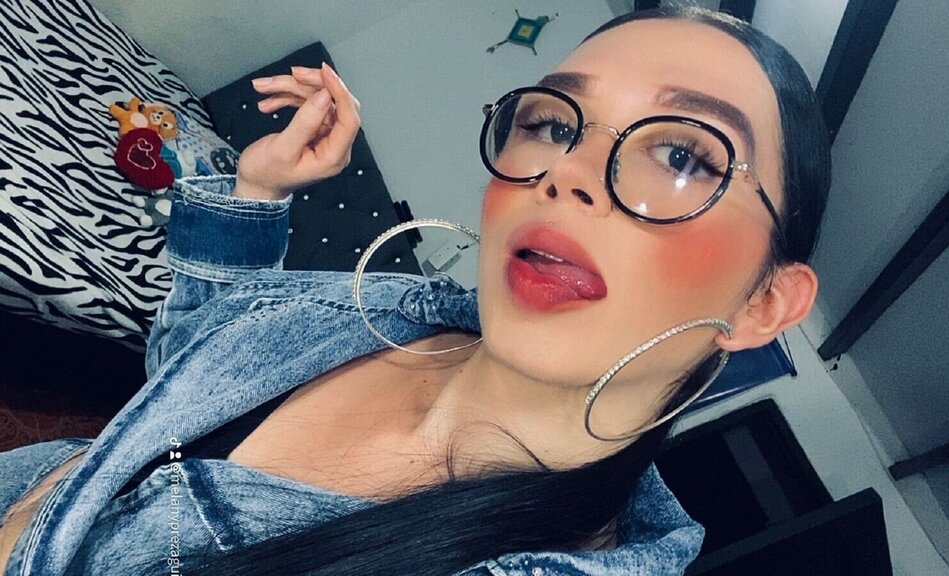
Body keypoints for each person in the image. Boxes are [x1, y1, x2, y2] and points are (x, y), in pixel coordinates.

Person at [0, 6, 829, 575]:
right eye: (553, 123)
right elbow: (189, 379)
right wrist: (255, 195)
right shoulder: (400, 312)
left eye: (684, 156)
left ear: (764, 303)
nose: (569, 172)